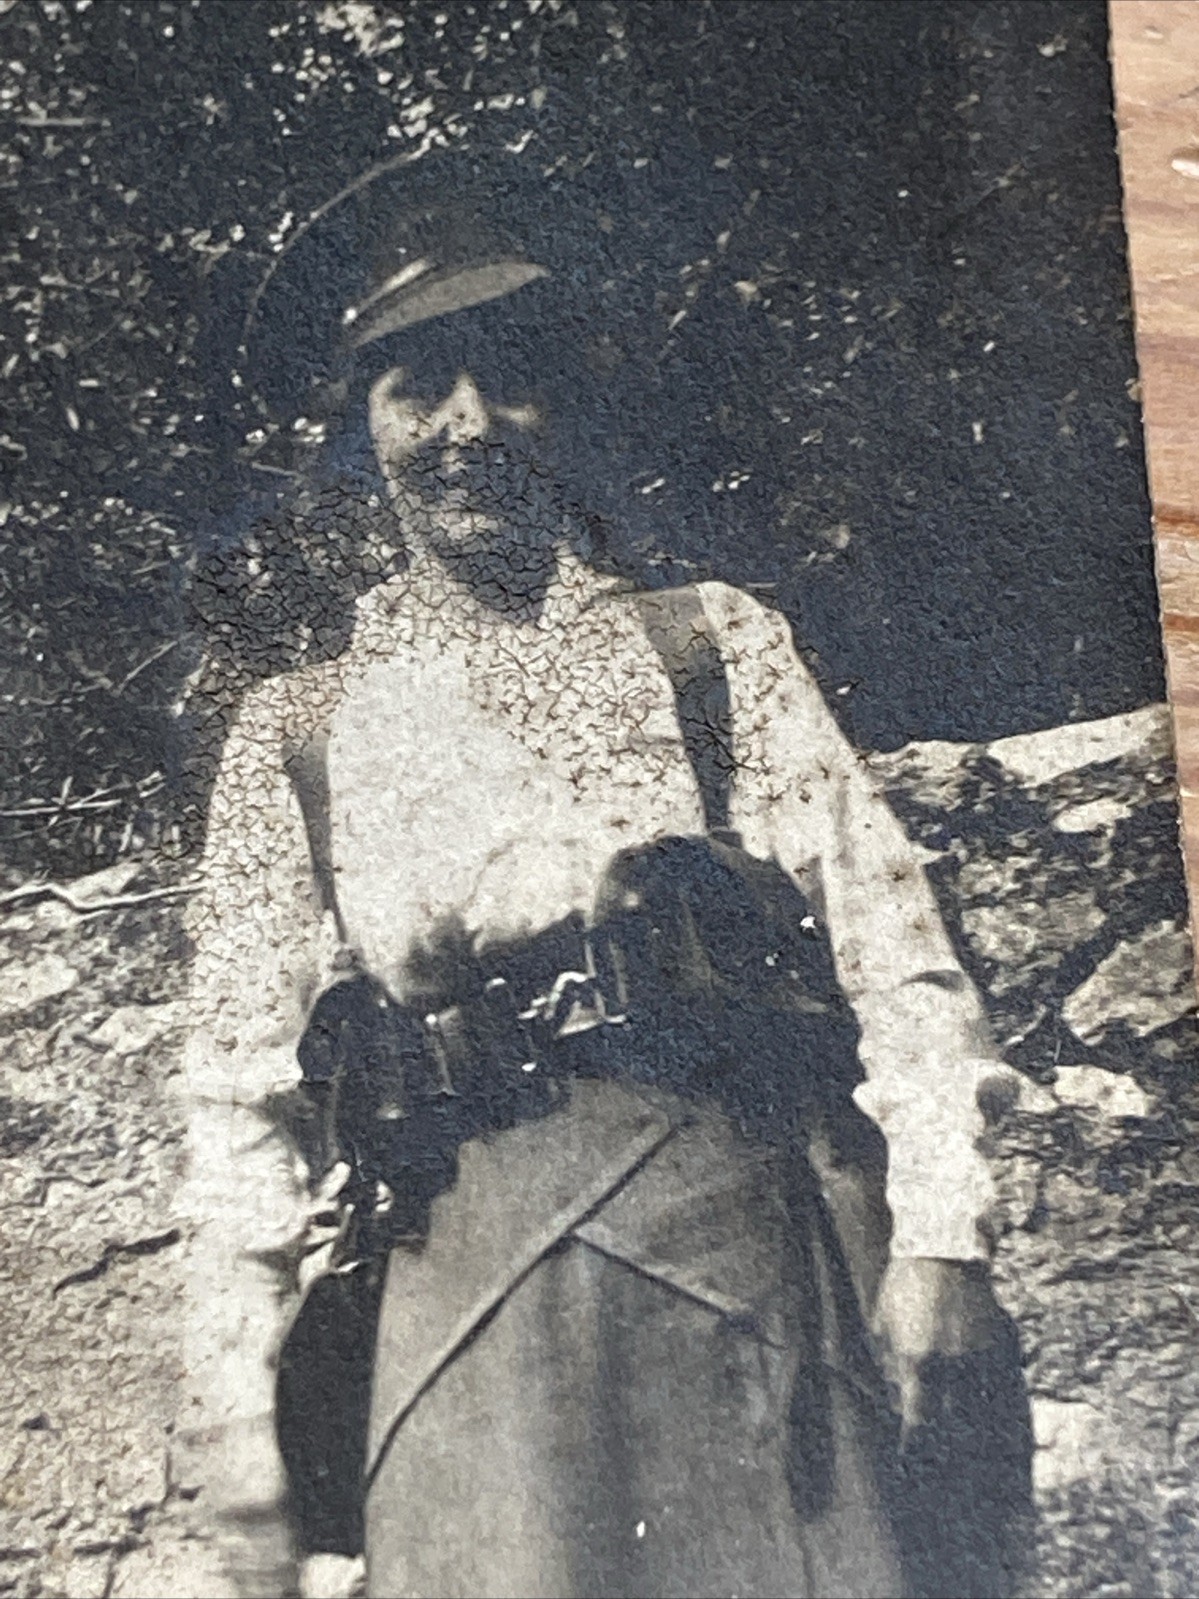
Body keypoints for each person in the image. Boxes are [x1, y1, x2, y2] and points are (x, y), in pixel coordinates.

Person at [179, 179, 1018, 1599]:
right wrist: (231, 1405)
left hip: (740, 1243)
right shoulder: (297, 737)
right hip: (459, 1287)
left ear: (564, 406)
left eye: (510, 380)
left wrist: (943, 1238)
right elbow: (233, 1096)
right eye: (415, 388)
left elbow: (901, 961)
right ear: (357, 433)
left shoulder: (716, 652)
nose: (466, 429)